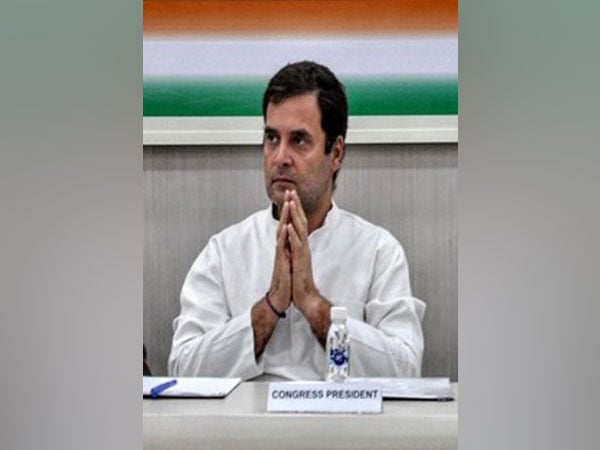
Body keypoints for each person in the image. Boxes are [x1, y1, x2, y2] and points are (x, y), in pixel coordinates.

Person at [168, 61, 425, 381]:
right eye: (272, 138)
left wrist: (314, 305)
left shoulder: (377, 251)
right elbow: (183, 369)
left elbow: (405, 371)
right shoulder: (224, 250)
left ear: (336, 153)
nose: (280, 158)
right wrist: (270, 306)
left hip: (340, 415)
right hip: (246, 416)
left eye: (299, 140)